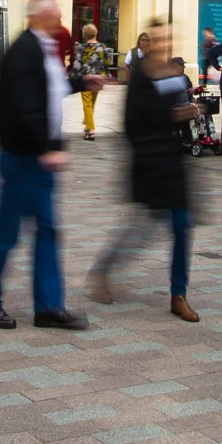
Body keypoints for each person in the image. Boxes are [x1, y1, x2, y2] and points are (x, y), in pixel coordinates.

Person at [0, 0, 101, 331]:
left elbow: (51, 90)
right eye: (55, 13)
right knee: (7, 234)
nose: (60, 18)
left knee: (47, 230)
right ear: (38, 16)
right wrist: (46, 149)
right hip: (21, 158)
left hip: (37, 159)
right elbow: (26, 107)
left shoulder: (44, 48)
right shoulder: (23, 51)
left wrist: (80, 82)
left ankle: (48, 306)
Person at [89, 25, 198, 322]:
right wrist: (173, 116)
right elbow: (134, 124)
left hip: (174, 166)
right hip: (150, 166)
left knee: (182, 225)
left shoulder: (172, 77)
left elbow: (176, 111)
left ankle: (179, 294)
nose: (163, 44)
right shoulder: (141, 79)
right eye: (158, 39)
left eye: (167, 40)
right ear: (148, 44)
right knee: (142, 230)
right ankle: (104, 269)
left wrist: (186, 113)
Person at [72, 24, 109, 142]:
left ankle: (91, 129)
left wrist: (73, 75)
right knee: (91, 104)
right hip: (98, 79)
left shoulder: (82, 48)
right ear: (96, 33)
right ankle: (87, 127)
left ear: (84, 35)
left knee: (87, 105)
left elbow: (77, 64)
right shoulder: (102, 47)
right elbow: (106, 61)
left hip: (86, 80)